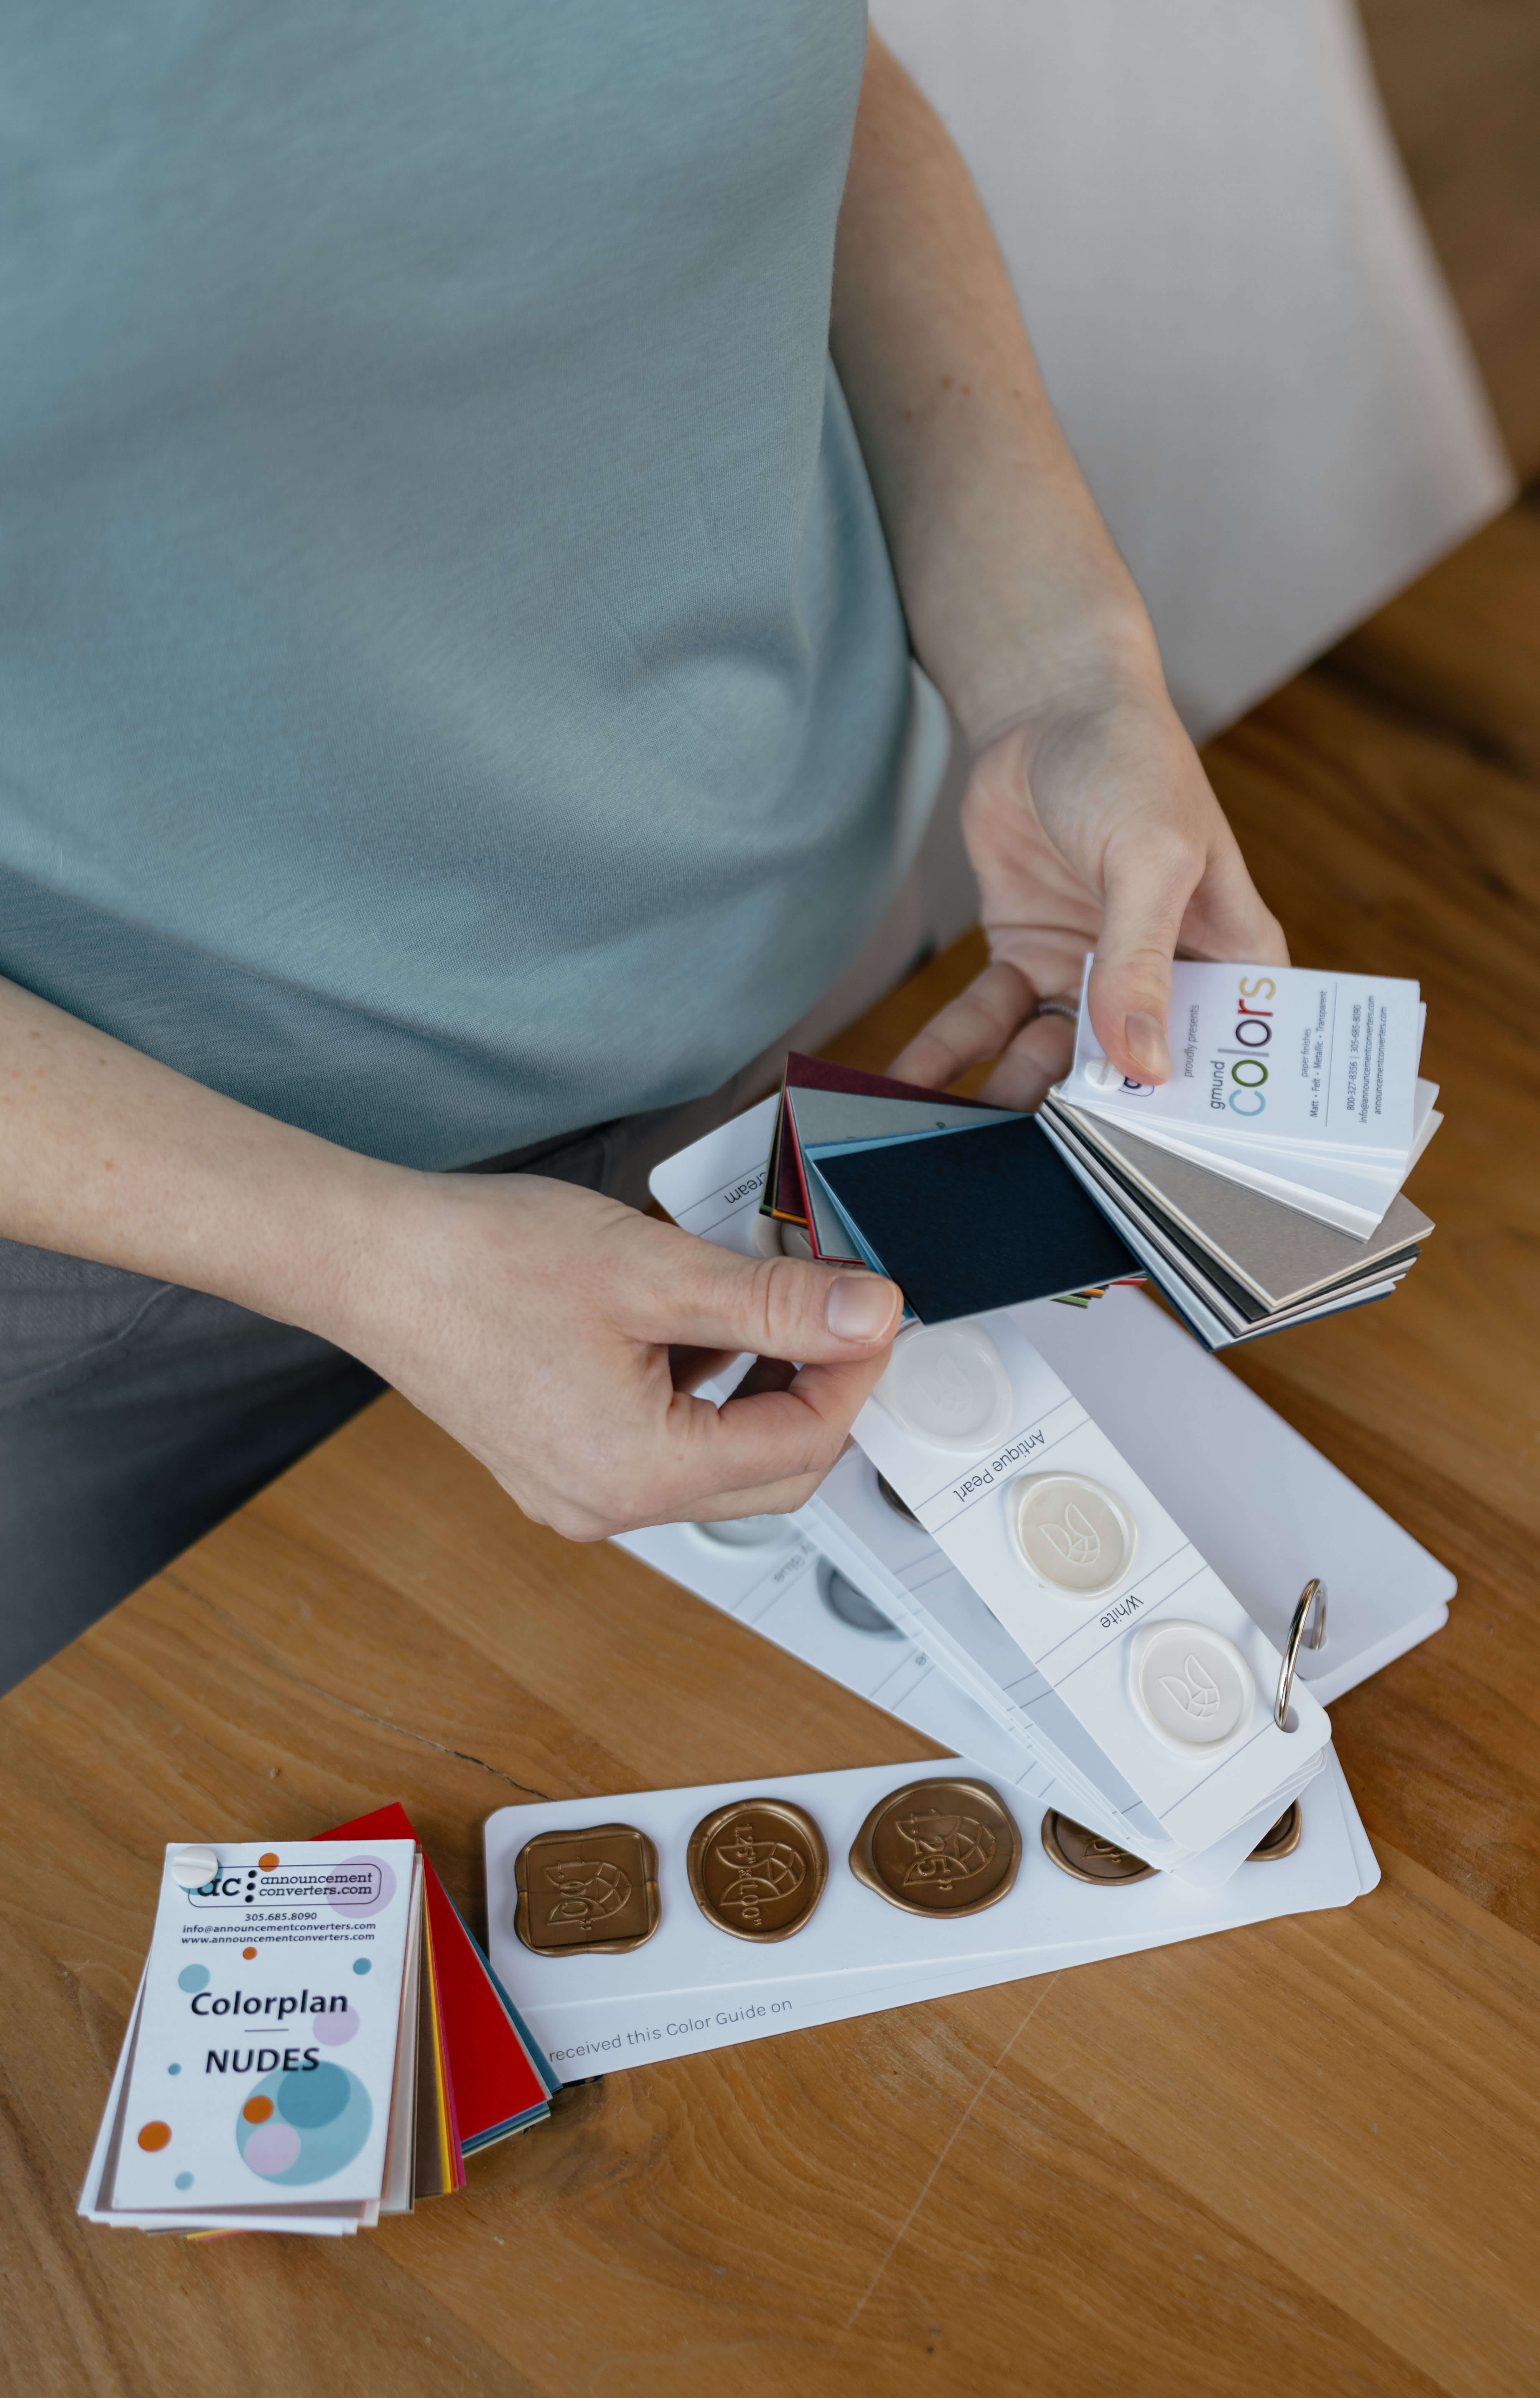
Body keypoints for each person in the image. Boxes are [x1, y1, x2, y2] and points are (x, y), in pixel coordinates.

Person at [0, 10, 1285, 1694]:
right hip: (147, 1257)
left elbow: (795, 84)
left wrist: (1057, 671)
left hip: (825, 999)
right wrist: (349, 1252)